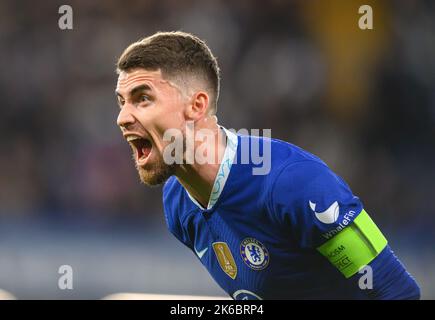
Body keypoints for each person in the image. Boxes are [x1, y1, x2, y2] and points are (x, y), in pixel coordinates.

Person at [115, 31, 420, 299]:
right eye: (122, 102)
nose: (123, 118)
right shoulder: (177, 203)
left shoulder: (294, 183)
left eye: (142, 99)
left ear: (196, 106)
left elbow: (398, 292)